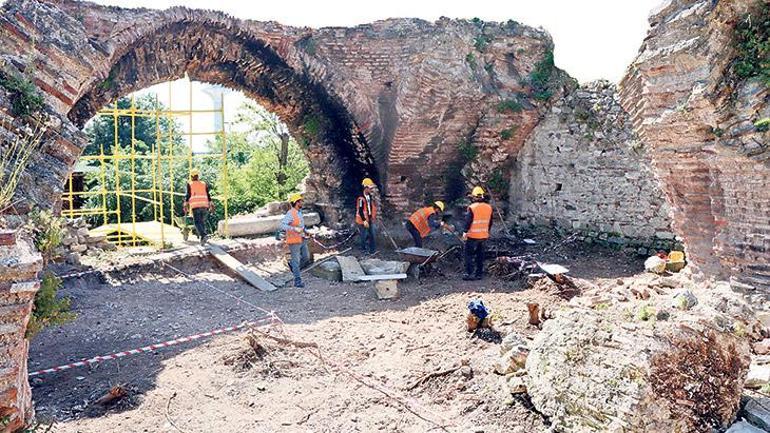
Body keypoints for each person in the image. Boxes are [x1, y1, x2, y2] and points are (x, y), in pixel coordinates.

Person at [462, 186, 493, 281]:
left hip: (472, 236)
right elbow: (490, 222)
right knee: (480, 255)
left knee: (468, 254)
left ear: (474, 197)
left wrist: (465, 232)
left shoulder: (472, 207)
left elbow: (468, 221)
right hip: (483, 235)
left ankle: (469, 273)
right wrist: (487, 231)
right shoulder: (489, 207)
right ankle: (479, 274)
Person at [280, 193, 310, 288]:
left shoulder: (299, 213)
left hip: (302, 239)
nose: (302, 202)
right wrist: (294, 229)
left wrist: (306, 231)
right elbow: (282, 225)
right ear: (296, 202)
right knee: (296, 261)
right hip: (294, 241)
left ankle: (293, 267)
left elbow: (300, 225)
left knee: (306, 257)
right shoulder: (290, 213)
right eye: (301, 201)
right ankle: (297, 281)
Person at [183, 168, 214, 245]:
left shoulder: (190, 184)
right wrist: (211, 204)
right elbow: (208, 194)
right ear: (198, 176)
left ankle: (203, 235)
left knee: (197, 222)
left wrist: (186, 204)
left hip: (196, 206)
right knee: (202, 222)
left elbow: (188, 195)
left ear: (191, 176)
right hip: (205, 205)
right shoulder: (203, 183)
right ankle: (203, 238)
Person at [356, 178, 378, 254]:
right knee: (364, 236)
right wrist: (364, 220)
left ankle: (372, 250)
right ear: (365, 188)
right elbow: (360, 210)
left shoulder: (370, 196)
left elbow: (371, 207)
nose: (371, 190)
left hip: (369, 218)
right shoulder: (361, 198)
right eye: (370, 188)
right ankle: (364, 250)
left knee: (372, 234)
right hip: (363, 220)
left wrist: (372, 216)